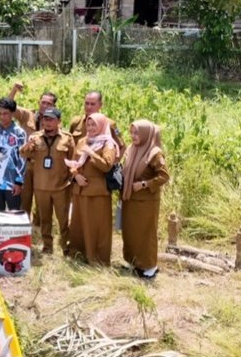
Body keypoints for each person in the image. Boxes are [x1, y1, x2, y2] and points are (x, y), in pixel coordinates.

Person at [18, 107, 74, 255]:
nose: (47, 123)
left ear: (59, 121)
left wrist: (71, 181)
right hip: (41, 186)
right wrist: (28, 145)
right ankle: (47, 246)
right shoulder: (35, 138)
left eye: (51, 119)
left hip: (61, 186)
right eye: (45, 119)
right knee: (45, 219)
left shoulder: (67, 138)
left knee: (63, 220)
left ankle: (66, 246)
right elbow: (23, 154)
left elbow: (73, 161)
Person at [66, 113, 120, 265]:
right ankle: (78, 253)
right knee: (78, 224)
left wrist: (91, 153)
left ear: (102, 126)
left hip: (97, 192)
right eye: (88, 125)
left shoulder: (108, 144)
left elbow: (107, 165)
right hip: (80, 190)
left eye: (94, 125)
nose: (90, 128)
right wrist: (75, 175)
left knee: (96, 226)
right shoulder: (83, 141)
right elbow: (74, 162)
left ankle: (96, 259)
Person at [121, 120, 170, 279]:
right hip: (130, 199)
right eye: (132, 132)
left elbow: (164, 176)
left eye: (137, 133)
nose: (133, 136)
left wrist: (144, 184)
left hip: (146, 202)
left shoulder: (154, 153)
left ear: (146, 134)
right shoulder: (131, 149)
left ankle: (149, 265)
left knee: (146, 233)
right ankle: (134, 262)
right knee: (131, 232)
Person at [10, 86, 57, 227]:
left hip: (43, 166)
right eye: (43, 102)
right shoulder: (28, 115)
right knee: (24, 198)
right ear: (39, 102)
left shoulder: (54, 121)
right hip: (26, 164)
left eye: (49, 104)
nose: (45, 105)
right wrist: (14, 91)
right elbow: (9, 106)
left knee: (42, 199)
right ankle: (22, 228)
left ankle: (38, 229)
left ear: (54, 106)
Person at [0, 97, 27, 211]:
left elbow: (22, 158)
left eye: (5, 113)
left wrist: (19, 181)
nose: (2, 117)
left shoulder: (19, 133)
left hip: (12, 182)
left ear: (12, 113)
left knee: (13, 214)